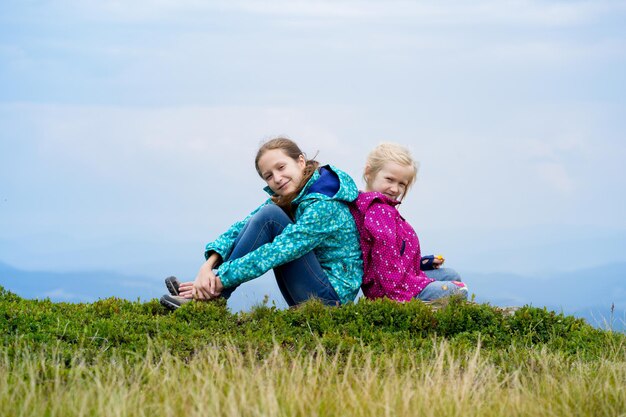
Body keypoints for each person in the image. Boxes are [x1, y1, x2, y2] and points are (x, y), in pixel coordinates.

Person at [160, 137, 363, 310]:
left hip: (330, 302)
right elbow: (242, 227)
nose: (277, 178)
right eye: (269, 176)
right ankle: (209, 295)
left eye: (281, 167)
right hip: (316, 289)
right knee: (267, 216)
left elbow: (276, 252)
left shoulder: (324, 204)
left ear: (300, 162)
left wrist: (219, 281)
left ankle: (210, 297)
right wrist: (207, 267)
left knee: (270, 217)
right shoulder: (294, 195)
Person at [349, 142, 468, 302]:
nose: (395, 189)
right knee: (459, 290)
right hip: (391, 289)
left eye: (401, 184)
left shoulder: (378, 206)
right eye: (389, 179)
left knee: (451, 275)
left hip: (399, 278)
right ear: (369, 172)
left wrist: (420, 263)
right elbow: (386, 266)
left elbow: (386, 257)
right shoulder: (379, 211)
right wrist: (401, 295)